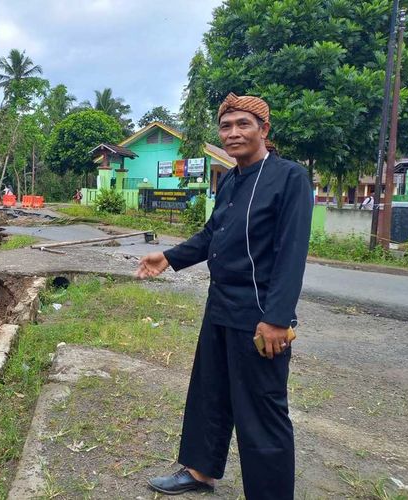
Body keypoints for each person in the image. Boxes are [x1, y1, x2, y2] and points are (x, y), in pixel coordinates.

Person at [136, 93, 313, 499]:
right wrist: (168, 257)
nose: (233, 133)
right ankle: (200, 473)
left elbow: (292, 254)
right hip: (220, 306)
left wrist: (277, 318)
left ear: (264, 130)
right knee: (209, 393)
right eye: (226, 125)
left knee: (262, 411)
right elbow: (212, 234)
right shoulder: (231, 179)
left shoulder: (289, 178)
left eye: (243, 124)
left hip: (259, 317)